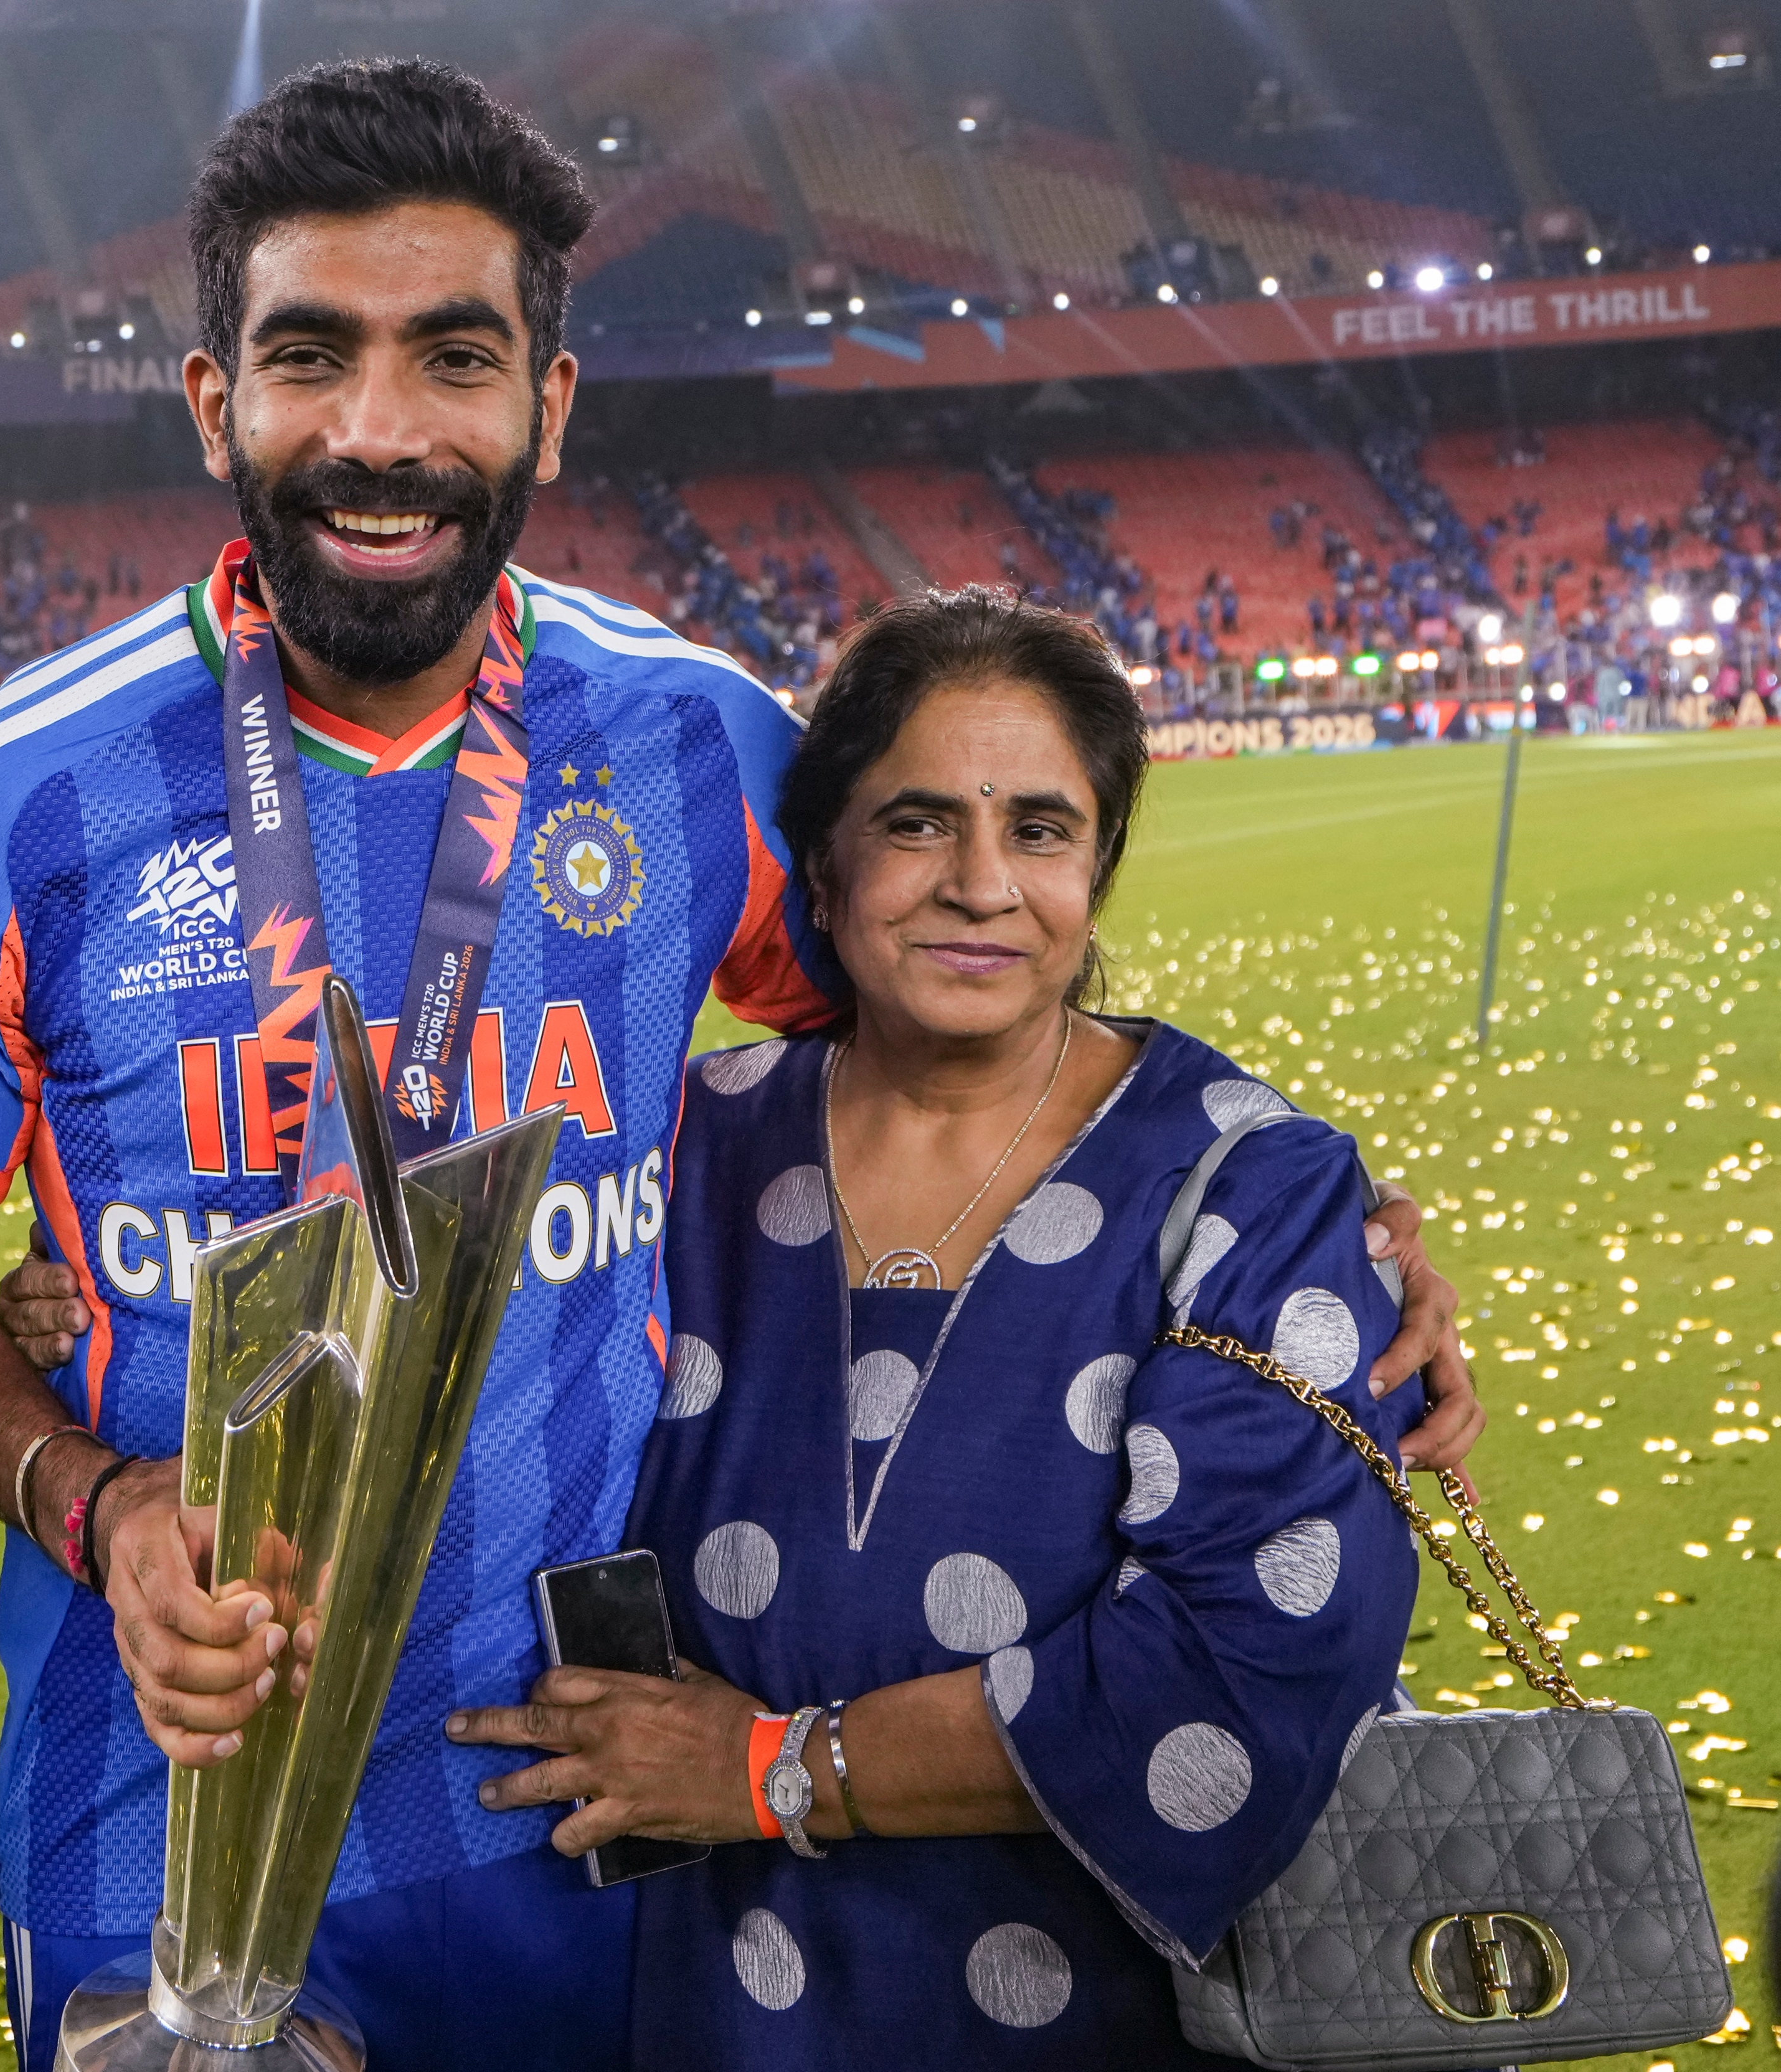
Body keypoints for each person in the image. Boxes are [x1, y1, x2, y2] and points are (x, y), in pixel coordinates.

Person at [0, 62, 1473, 2071]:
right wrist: (93, 1494)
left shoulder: (694, 741)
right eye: (307, 357)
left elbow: (953, 1036)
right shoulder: (5, 802)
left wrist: (1288, 1271)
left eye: (454, 355)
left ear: (549, 401)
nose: (377, 430)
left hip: (597, 1809)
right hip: (156, 1805)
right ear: (213, 400)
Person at [444, 590, 1466, 2066]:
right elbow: (460, 1367)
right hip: (724, 2010)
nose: (979, 883)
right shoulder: (674, 1155)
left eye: (1039, 829)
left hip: (1111, 2023)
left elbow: (1244, 1664)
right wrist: (80, 1310)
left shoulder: (1251, 1186)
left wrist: (771, 1768)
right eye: (917, 821)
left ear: (1095, 865)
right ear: (825, 858)